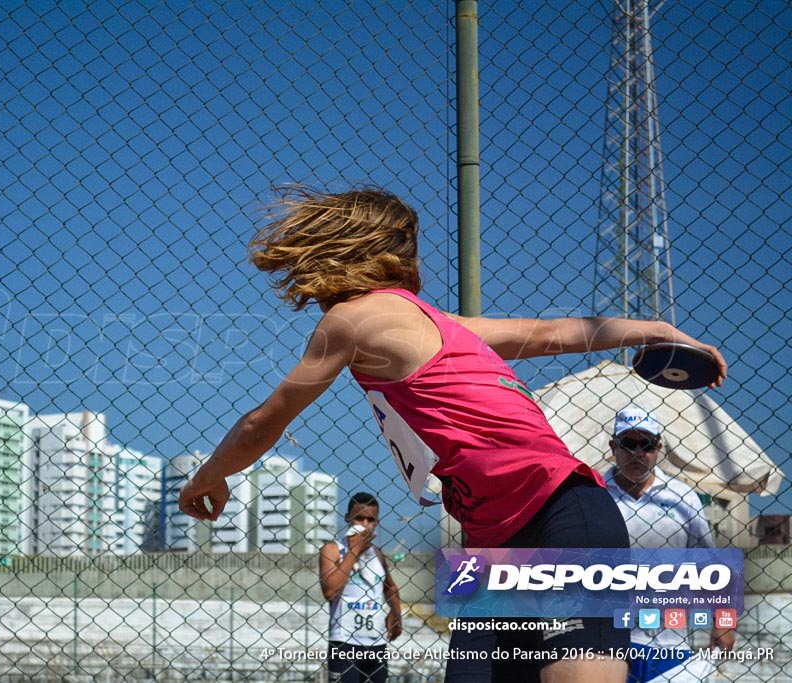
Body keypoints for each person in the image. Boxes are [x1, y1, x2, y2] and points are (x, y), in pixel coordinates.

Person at [178, 186, 727, 683]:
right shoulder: (431, 322)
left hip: (558, 511)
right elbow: (550, 333)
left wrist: (208, 476)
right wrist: (655, 327)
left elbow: (263, 421)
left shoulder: (353, 320)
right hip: (494, 541)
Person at [605, 406, 736, 683]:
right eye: (629, 444)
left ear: (659, 448)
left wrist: (723, 622)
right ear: (613, 447)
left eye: (647, 444)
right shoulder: (594, 495)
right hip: (607, 642)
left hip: (669, 643)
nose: (637, 453)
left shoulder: (682, 498)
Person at [319, 491, 403, 682]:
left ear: (376, 523)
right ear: (348, 518)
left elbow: (390, 587)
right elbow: (330, 591)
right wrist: (354, 550)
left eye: (370, 519)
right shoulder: (332, 549)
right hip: (344, 641)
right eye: (359, 518)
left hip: (376, 642)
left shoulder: (377, 554)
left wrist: (396, 614)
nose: (364, 524)